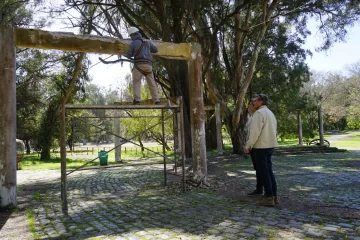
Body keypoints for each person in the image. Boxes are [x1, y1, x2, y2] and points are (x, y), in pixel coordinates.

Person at [244, 94, 279, 206]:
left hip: (261, 147)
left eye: (254, 101)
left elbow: (255, 132)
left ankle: (268, 197)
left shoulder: (259, 113)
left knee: (264, 172)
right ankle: (273, 195)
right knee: (269, 171)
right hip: (269, 146)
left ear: (260, 101)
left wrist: (248, 145)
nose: (253, 103)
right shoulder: (270, 113)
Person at [126, 27, 161, 105]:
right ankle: (157, 100)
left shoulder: (134, 43)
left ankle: (137, 100)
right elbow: (155, 50)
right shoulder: (147, 42)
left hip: (138, 66)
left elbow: (128, 55)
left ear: (132, 35)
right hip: (149, 66)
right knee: (152, 83)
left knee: (136, 82)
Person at [246, 98, 264, 196]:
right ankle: (259, 188)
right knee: (257, 168)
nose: (249, 106)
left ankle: (264, 190)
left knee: (261, 168)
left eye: (251, 105)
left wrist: (249, 145)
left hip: (258, 146)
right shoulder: (249, 116)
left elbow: (255, 133)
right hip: (253, 146)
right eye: (248, 104)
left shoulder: (257, 116)